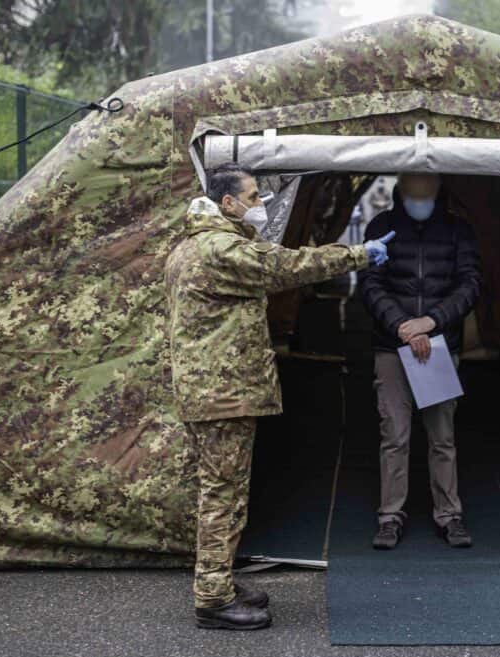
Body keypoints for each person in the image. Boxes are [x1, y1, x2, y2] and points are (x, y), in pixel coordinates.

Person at [165, 163, 393, 630]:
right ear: (226, 204)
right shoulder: (219, 249)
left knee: (225, 492)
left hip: (212, 390)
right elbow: (285, 267)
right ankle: (212, 598)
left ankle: (221, 581)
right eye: (251, 197)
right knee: (222, 495)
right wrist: (357, 255)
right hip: (221, 394)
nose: (258, 205)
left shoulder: (194, 245)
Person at [358, 172, 481, 550]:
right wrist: (402, 327)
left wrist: (432, 322)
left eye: (427, 195)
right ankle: (389, 516)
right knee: (394, 435)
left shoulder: (459, 230)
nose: (420, 201)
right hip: (392, 345)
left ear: (439, 193)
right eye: (414, 195)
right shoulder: (381, 226)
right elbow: (370, 284)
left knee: (442, 436)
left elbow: (470, 283)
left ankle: (449, 515)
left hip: (440, 345)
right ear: (401, 194)